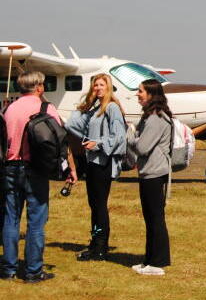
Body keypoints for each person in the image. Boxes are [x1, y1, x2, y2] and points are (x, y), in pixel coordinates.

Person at [1, 71, 77, 283]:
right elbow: (61, 142)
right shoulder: (46, 108)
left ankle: (8, 269)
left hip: (10, 167)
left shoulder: (9, 108)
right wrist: (70, 169)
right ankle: (33, 271)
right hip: (35, 170)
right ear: (39, 87)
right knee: (36, 221)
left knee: (11, 218)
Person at [66, 73, 127, 261]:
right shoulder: (95, 109)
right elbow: (72, 124)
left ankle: (100, 247)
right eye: (95, 86)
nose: (98, 88)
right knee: (94, 204)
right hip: (92, 162)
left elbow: (119, 136)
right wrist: (87, 100)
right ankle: (95, 242)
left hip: (103, 163)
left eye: (101, 85)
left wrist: (97, 144)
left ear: (108, 87)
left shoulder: (112, 108)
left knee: (99, 205)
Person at [127, 79, 172, 276]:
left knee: (155, 218)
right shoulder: (152, 116)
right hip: (150, 172)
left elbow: (142, 147)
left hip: (154, 173)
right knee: (150, 218)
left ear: (152, 94)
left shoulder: (155, 118)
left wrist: (129, 136)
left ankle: (158, 262)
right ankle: (149, 259)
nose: (138, 94)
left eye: (141, 91)